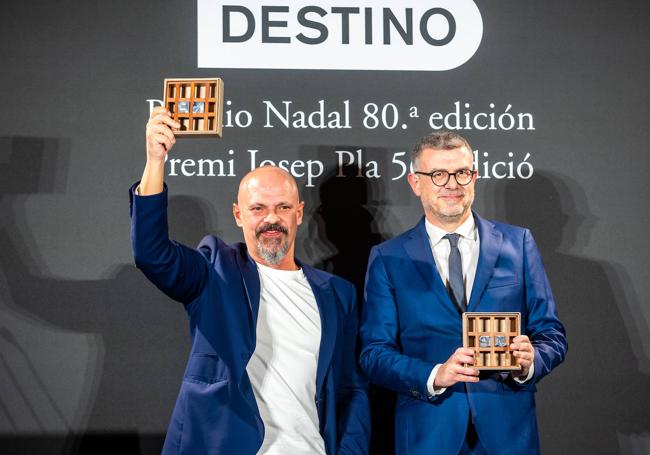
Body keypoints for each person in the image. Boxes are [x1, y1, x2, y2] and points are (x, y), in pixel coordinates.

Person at [130, 107, 370, 454]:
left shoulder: (337, 294)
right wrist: (155, 160)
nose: (271, 219)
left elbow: (351, 390)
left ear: (299, 213)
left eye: (283, 208)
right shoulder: (215, 269)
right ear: (238, 214)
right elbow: (152, 255)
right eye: (258, 209)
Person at [359, 131, 567, 455]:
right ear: (416, 183)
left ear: (474, 177)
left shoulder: (518, 244)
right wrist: (435, 375)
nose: (452, 184)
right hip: (428, 435)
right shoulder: (388, 258)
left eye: (462, 173)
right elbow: (374, 354)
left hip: (508, 436)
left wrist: (529, 363)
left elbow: (551, 334)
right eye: (438, 174)